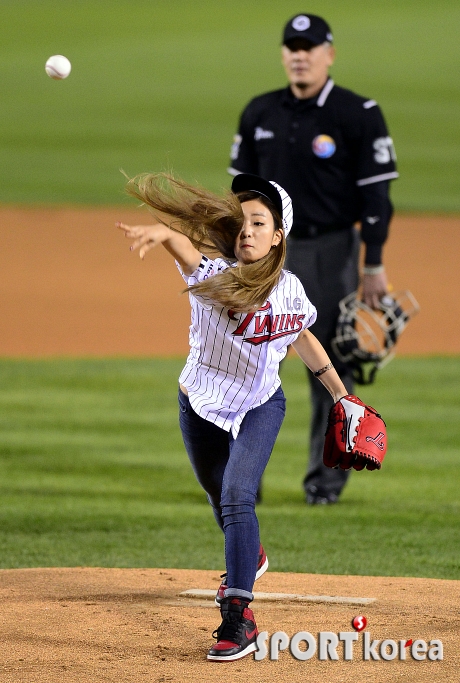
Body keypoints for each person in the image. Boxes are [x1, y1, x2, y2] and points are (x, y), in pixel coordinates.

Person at [116, 171, 350, 661]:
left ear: (277, 235)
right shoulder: (214, 275)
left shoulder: (290, 289)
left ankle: (238, 616)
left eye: (259, 222)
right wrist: (163, 235)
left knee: (237, 494)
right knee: (218, 496)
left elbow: (302, 337)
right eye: (242, 221)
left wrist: (341, 396)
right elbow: (186, 252)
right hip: (199, 405)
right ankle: (251, 553)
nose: (247, 230)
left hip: (261, 403)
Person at [228, 13, 398, 505]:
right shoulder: (260, 112)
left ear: (329, 54)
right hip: (263, 254)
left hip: (329, 250)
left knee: (327, 362)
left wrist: (373, 264)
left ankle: (325, 483)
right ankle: (241, 484)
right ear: (283, 54)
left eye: (310, 47)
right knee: (246, 362)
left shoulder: (357, 113)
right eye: (292, 47)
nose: (300, 55)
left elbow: (377, 198)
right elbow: (234, 200)